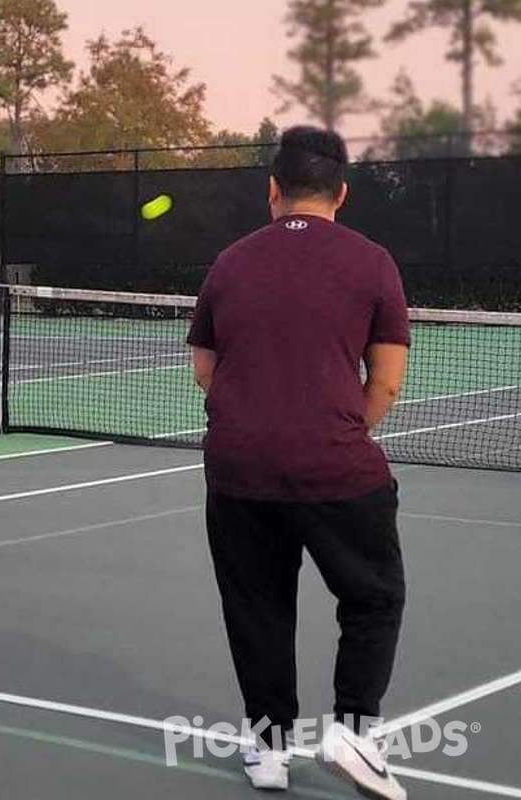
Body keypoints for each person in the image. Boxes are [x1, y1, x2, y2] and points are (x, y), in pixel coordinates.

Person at [186, 126, 410, 800]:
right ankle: (352, 729)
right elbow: (388, 381)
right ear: (341, 192)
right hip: (336, 470)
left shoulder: (227, 262)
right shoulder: (374, 263)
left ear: (272, 191)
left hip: (237, 469)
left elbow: (205, 370)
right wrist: (333, 431)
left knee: (256, 607)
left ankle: (268, 751)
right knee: (373, 597)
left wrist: (263, 421)